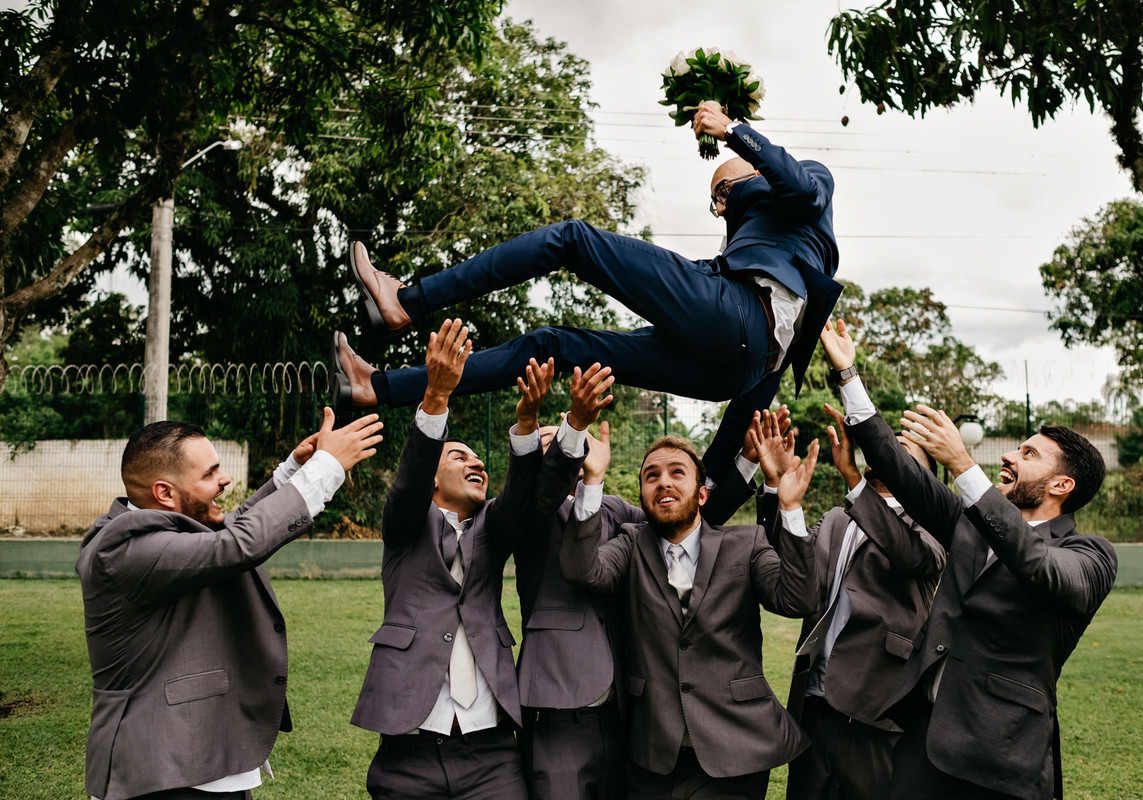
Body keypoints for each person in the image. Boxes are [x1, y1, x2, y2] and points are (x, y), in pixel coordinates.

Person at [332, 101, 842, 474]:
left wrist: (731, 130)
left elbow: (797, 185)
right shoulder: (775, 271)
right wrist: (704, 489)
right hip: (731, 366)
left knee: (572, 240)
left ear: (758, 169)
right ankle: (376, 387)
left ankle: (407, 300)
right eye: (716, 202)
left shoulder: (807, 186)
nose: (721, 206)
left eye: (725, 190)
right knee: (551, 346)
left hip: (734, 322)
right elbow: (757, 387)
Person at [820, 319, 1118, 800]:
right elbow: (900, 469)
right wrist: (848, 375)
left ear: (1062, 485)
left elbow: (1036, 564)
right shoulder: (969, 523)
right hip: (922, 742)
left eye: (1028, 454)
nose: (1010, 457)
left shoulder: (1090, 555)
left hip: (1000, 755)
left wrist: (963, 464)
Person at [349, 318, 613, 800]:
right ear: (433, 478)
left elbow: (532, 496)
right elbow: (409, 480)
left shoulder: (495, 527)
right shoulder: (405, 525)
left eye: (479, 460)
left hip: (493, 754)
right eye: (459, 457)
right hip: (408, 752)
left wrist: (556, 425)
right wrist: (436, 396)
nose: (476, 462)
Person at [76, 409, 383, 800]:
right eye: (210, 474)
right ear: (164, 493)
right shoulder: (124, 547)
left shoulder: (164, 530)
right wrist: (326, 468)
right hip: (161, 773)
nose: (225, 479)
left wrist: (294, 469)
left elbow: (233, 526)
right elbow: (237, 544)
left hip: (201, 762)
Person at [512, 409, 781, 800]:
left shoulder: (617, 510)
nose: (567, 449)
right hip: (559, 705)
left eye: (573, 440)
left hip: (624, 707)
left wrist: (747, 463)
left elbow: (682, 518)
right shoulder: (525, 510)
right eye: (554, 443)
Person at [560, 431, 821, 800]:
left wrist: (790, 508)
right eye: (651, 476)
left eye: (677, 472)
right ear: (643, 496)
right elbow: (582, 570)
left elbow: (797, 601)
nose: (663, 481)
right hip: (653, 755)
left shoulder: (745, 543)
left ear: (701, 494)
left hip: (736, 749)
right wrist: (593, 479)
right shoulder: (630, 543)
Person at [750, 407, 946, 799]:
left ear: (924, 475)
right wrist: (777, 491)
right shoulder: (836, 519)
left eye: (899, 450)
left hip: (876, 714)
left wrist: (854, 481)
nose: (884, 452)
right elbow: (784, 566)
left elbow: (908, 556)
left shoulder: (933, 526)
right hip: (812, 706)